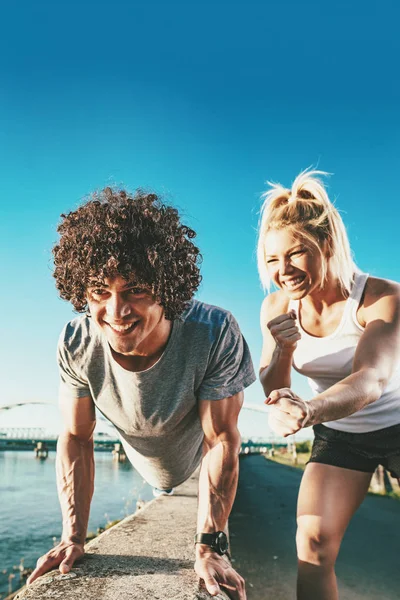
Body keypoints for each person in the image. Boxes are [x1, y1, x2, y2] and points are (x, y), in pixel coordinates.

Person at [27, 187, 255, 599]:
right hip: (143, 460)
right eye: (100, 291)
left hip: (192, 461)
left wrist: (209, 545)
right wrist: (72, 536)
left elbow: (220, 440)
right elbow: (77, 438)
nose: (116, 312)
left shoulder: (213, 332)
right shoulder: (76, 342)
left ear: (167, 286)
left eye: (135, 290)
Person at [257, 170, 400, 600]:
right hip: (342, 437)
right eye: (272, 261)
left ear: (328, 246)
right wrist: (282, 351)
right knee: (313, 544)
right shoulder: (276, 305)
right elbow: (273, 381)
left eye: (296, 254)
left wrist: (310, 409)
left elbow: (370, 380)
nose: (283, 272)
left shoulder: (381, 296)